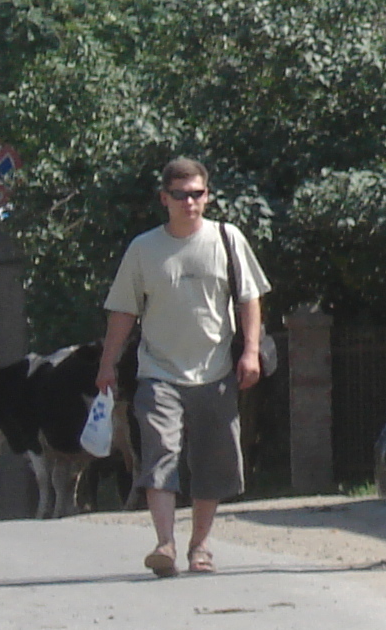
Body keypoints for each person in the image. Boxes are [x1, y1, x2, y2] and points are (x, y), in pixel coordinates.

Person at [96, 156, 267, 578]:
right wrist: (107, 364)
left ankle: (200, 547)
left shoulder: (227, 239)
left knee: (212, 460)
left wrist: (249, 351)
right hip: (159, 372)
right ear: (164, 198)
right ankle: (165, 543)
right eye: (180, 195)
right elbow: (122, 312)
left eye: (197, 194)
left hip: (216, 371)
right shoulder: (144, 249)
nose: (190, 202)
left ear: (207, 196)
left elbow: (249, 299)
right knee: (160, 455)